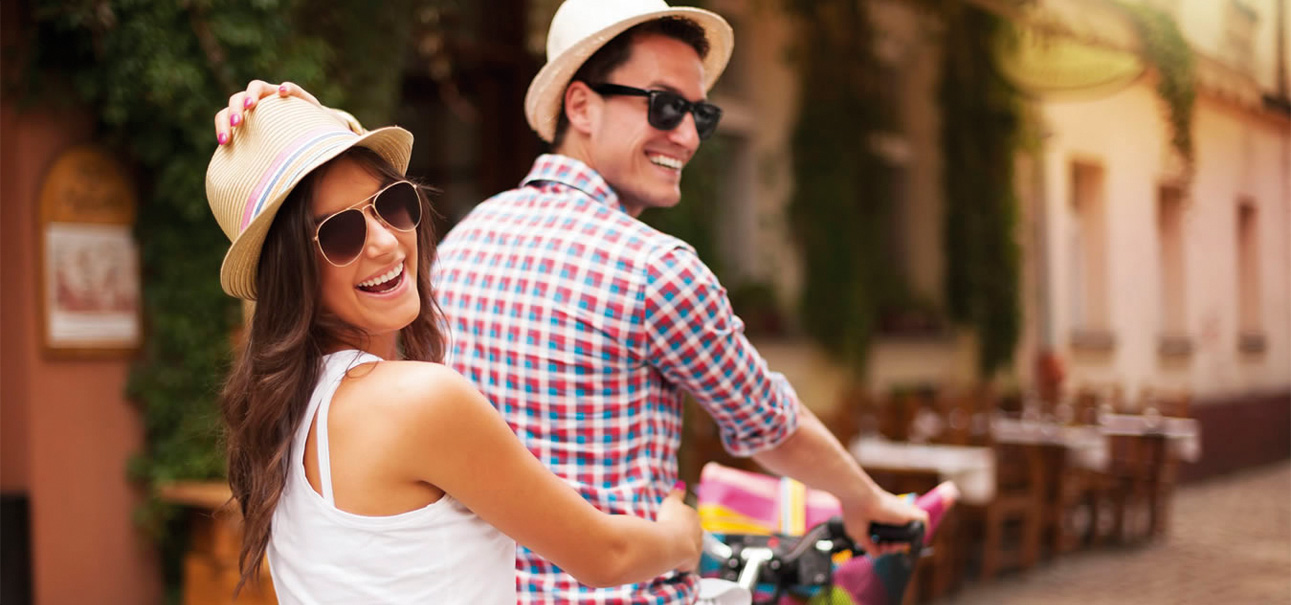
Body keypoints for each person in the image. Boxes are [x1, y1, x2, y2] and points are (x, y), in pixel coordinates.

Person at [214, 1, 928, 602]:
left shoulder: (459, 249)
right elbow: (766, 422)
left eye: (393, 204)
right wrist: (857, 502)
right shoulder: (655, 269)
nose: (685, 133)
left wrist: (289, 134)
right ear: (579, 104)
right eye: (665, 106)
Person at [204, 95, 701, 604]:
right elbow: (605, 556)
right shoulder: (417, 401)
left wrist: (289, 121)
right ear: (291, 272)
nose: (385, 242)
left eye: (392, 203)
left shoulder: (286, 413)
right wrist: (682, 535)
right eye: (340, 234)